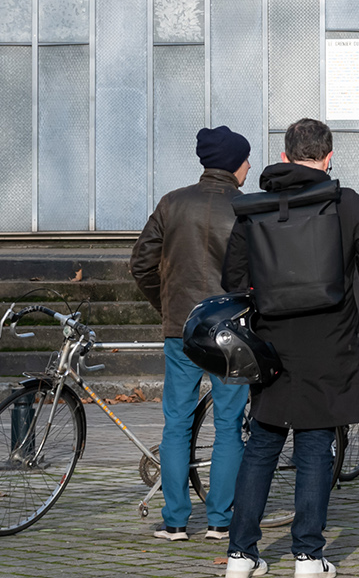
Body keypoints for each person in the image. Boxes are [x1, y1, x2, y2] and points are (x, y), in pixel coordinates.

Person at [222, 118, 359, 578]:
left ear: (283, 156)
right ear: (328, 156)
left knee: (262, 441)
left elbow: (232, 281)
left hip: (273, 342)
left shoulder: (253, 209)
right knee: (316, 445)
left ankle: (240, 554)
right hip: (330, 342)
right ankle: (307, 556)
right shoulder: (345, 202)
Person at [129, 124, 253, 542]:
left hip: (181, 328)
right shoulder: (248, 207)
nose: (250, 166)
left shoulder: (171, 203)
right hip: (231, 332)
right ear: (235, 164)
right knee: (229, 423)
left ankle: (176, 520)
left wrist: (168, 307)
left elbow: (141, 264)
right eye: (246, 159)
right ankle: (220, 520)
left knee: (176, 422)